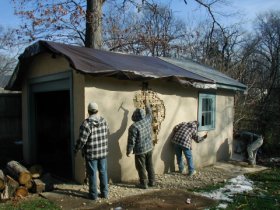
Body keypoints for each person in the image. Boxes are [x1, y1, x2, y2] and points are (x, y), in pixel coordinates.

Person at [74, 102, 109, 200]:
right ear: (97, 110)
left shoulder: (86, 124)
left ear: (88, 111)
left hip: (91, 153)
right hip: (103, 152)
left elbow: (81, 141)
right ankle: (105, 194)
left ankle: (93, 195)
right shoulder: (104, 121)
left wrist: (75, 149)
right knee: (103, 172)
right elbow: (106, 133)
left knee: (92, 174)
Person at [126, 102, 155, 189]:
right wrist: (147, 105)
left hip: (140, 150)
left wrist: (128, 151)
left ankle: (143, 183)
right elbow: (149, 112)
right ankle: (152, 181)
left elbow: (131, 141)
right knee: (149, 165)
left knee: (141, 167)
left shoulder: (133, 127)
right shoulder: (147, 119)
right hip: (149, 148)